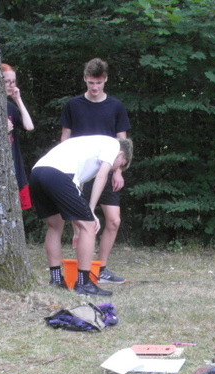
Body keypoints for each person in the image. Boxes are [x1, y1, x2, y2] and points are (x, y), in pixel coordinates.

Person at [29, 135, 134, 296]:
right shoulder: (113, 144)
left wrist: (79, 227)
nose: (116, 170)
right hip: (60, 174)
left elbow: (75, 192)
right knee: (89, 226)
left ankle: (56, 280)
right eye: (121, 165)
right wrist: (90, 212)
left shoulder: (87, 146)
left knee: (54, 226)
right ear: (120, 155)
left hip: (37, 172)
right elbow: (102, 176)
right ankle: (84, 283)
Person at [59, 58, 131, 284]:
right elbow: (65, 138)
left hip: (107, 169)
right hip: (79, 171)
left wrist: (119, 172)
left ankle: (101, 268)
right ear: (84, 78)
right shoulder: (73, 105)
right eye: (91, 82)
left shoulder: (116, 106)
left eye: (99, 83)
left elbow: (122, 144)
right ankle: (82, 270)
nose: (95, 87)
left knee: (113, 221)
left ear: (105, 80)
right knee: (81, 224)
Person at [1, 63, 35, 210]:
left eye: (13, 81)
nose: (11, 85)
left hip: (14, 163)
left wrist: (18, 100)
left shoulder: (11, 107)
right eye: (7, 81)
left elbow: (29, 126)